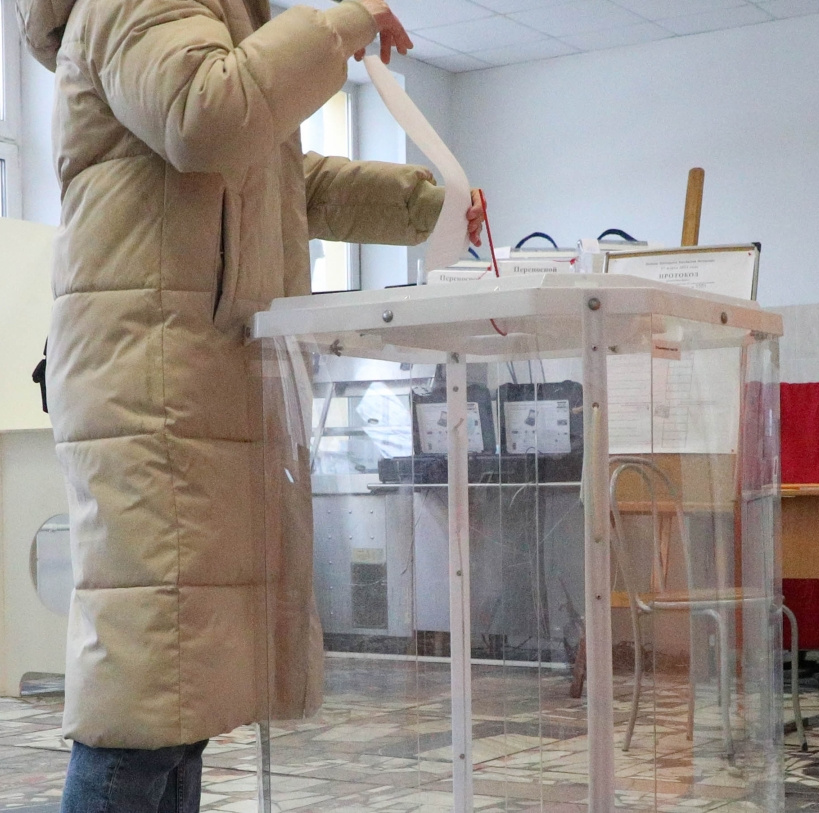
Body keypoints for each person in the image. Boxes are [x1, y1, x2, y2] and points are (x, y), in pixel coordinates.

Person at [16, 0, 484, 805]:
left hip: (190, 377)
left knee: (180, 691)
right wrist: (340, 25)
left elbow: (273, 178)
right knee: (143, 695)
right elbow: (209, 116)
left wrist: (427, 203)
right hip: (155, 381)